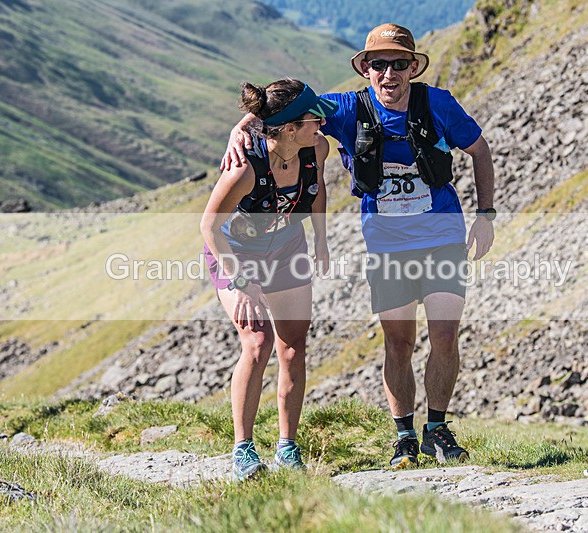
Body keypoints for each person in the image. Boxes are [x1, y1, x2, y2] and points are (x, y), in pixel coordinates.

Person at [221, 24, 495, 469]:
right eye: (379, 64)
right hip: (386, 244)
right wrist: (242, 126)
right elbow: (286, 108)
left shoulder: (438, 103)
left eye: (400, 64)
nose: (390, 74)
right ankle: (404, 435)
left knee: (445, 334)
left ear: (413, 67)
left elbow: (480, 150)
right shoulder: (347, 109)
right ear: (366, 69)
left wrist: (485, 216)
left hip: (443, 233)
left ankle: (438, 429)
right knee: (398, 343)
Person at [200, 79, 336, 480]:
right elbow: (208, 226)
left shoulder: (317, 147)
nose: (322, 123)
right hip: (234, 254)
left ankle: (287, 448)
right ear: (290, 128)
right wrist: (241, 279)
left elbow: (319, 188)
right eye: (313, 119)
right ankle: (243, 450)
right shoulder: (244, 168)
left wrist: (322, 239)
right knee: (257, 343)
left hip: (286, 247)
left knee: (293, 347)